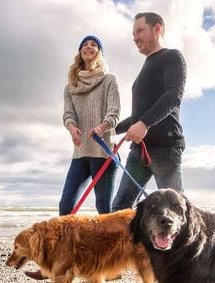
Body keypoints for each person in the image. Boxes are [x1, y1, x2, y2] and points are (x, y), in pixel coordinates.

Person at [111, 12, 187, 211]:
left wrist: (144, 124)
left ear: (157, 28)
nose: (135, 37)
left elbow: (173, 96)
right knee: (120, 208)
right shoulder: (145, 68)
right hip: (139, 152)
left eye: (139, 30)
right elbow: (137, 118)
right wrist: (110, 130)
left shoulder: (172, 57)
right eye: (133, 34)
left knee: (175, 212)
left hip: (165, 149)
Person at [59, 35, 121, 215]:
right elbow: (68, 114)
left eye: (94, 45)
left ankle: (110, 244)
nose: (88, 46)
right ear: (80, 52)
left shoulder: (109, 79)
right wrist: (71, 128)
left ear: (100, 53)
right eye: (84, 44)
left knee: (103, 210)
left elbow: (114, 112)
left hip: (103, 152)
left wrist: (101, 128)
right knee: (65, 207)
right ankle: (68, 244)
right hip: (80, 153)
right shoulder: (70, 86)